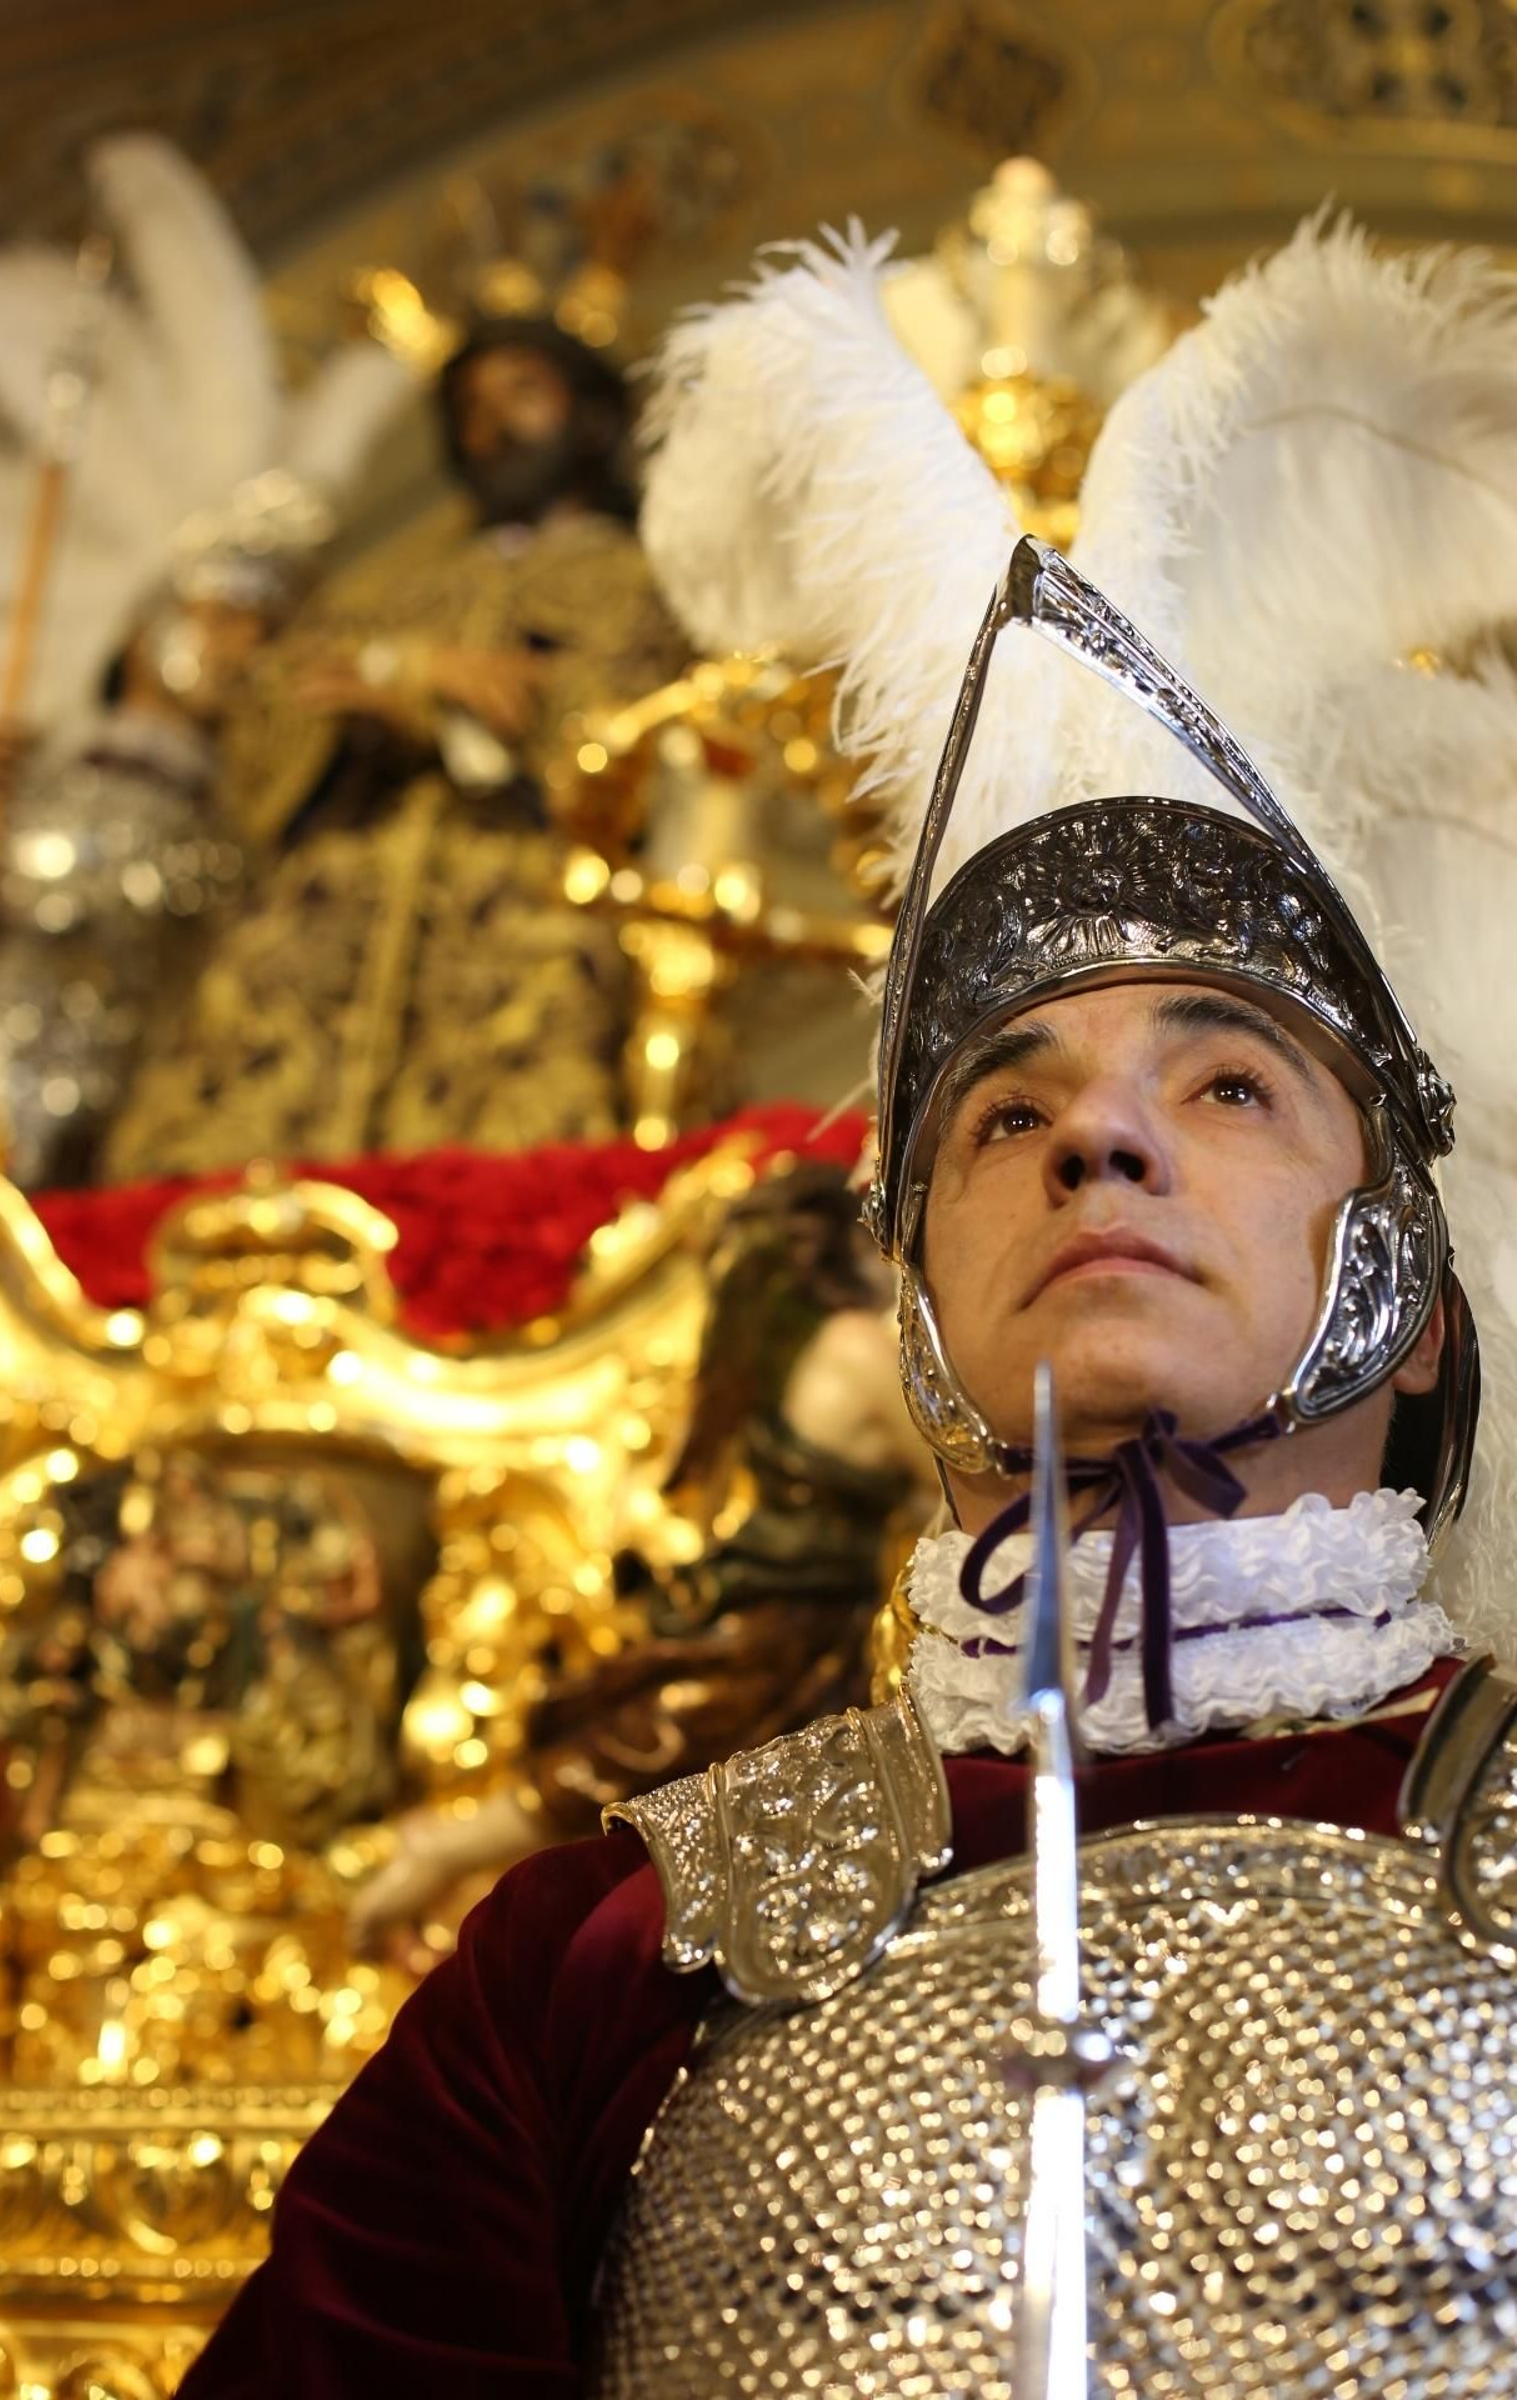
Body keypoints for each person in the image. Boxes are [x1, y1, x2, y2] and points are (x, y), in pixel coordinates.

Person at [179, 219, 1516, 2395]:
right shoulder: (595, 1956)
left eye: (1223, 1080)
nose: (1096, 1141)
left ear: (1416, 1296)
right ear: (908, 1302)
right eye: (1000, 1114)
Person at [0, 135, 410, 1186]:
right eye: (228, 615)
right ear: (152, 619)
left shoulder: (251, 812)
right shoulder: (29, 770)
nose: (246, 649)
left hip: (136, 1136)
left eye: (266, 629)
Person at [103, 316, 687, 1176]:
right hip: (335, 904)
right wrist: (419, 668)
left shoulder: (642, 578)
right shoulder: (392, 590)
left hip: (517, 898)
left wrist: (426, 707)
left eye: (521, 392)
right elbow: (283, 694)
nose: (493, 426)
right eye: (471, 408)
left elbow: (629, 723)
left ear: (590, 414)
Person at [347, 1163, 933, 1956]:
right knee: (644, 1751)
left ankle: (447, 1856)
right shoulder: (862, 1351)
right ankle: (442, 1851)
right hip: (795, 1624)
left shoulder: (786, 1346)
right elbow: (963, 1477)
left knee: (633, 1754)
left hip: (762, 1603)